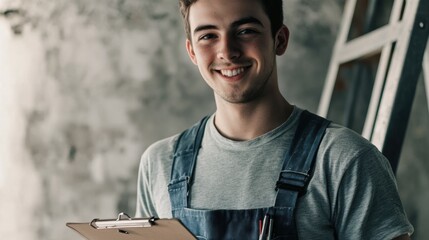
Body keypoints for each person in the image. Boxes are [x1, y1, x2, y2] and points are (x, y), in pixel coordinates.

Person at [135, 0, 414, 239]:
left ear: (279, 40)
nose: (227, 51)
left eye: (245, 31)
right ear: (192, 51)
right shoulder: (160, 164)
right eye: (208, 36)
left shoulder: (345, 160)